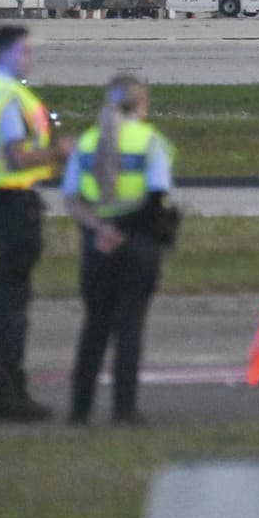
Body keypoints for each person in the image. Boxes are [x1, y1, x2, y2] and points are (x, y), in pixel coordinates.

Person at [61, 76, 174, 425]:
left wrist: (101, 229)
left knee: (94, 325)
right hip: (138, 242)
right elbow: (156, 196)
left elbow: (71, 197)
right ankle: (124, 409)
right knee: (130, 327)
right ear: (141, 104)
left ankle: (80, 408)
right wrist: (124, 231)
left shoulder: (88, 142)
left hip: (97, 244)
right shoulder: (149, 141)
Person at [0, 26, 72, 422]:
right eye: (23, 51)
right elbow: (16, 157)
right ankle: (7, 394)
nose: (30, 57)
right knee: (10, 301)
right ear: (5, 53)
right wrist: (57, 151)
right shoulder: (8, 97)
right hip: (9, 200)